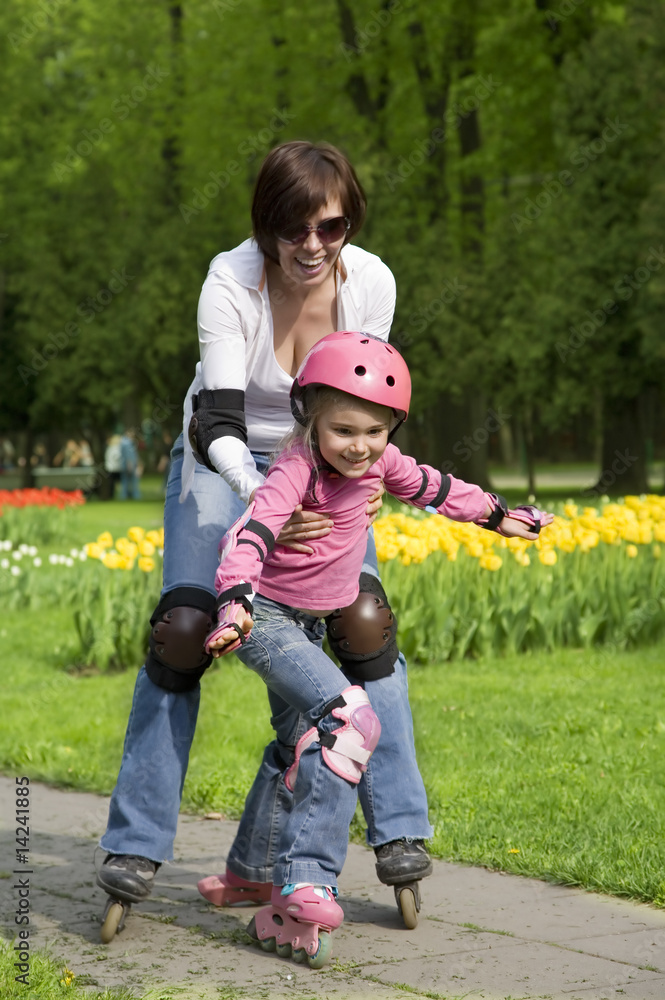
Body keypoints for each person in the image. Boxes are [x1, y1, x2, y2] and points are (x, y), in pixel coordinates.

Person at [96, 140, 433, 940]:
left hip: (326, 452)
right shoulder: (229, 280)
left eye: (331, 225)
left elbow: (362, 404)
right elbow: (217, 420)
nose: (312, 245)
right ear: (265, 223)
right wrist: (266, 504)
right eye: (293, 228)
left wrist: (360, 480)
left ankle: (398, 830)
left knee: (363, 621)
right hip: (225, 456)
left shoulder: (371, 281)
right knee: (183, 629)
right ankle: (136, 846)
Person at [203, 331, 552, 966]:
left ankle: (250, 870)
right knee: (348, 721)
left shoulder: (380, 464)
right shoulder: (295, 469)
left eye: (375, 431)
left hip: (313, 623)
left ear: (391, 426)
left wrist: (500, 515)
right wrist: (235, 599)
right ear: (311, 419)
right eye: (343, 430)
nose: (359, 447)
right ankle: (306, 880)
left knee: (294, 746)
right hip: (266, 620)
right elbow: (251, 530)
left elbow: (436, 487)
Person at [119, 430, 140, 500]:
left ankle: (124, 496)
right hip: (129, 464)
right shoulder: (127, 443)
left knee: (125, 481)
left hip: (124, 464)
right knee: (133, 481)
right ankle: (135, 496)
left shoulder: (123, 442)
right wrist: (130, 465)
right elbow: (129, 456)